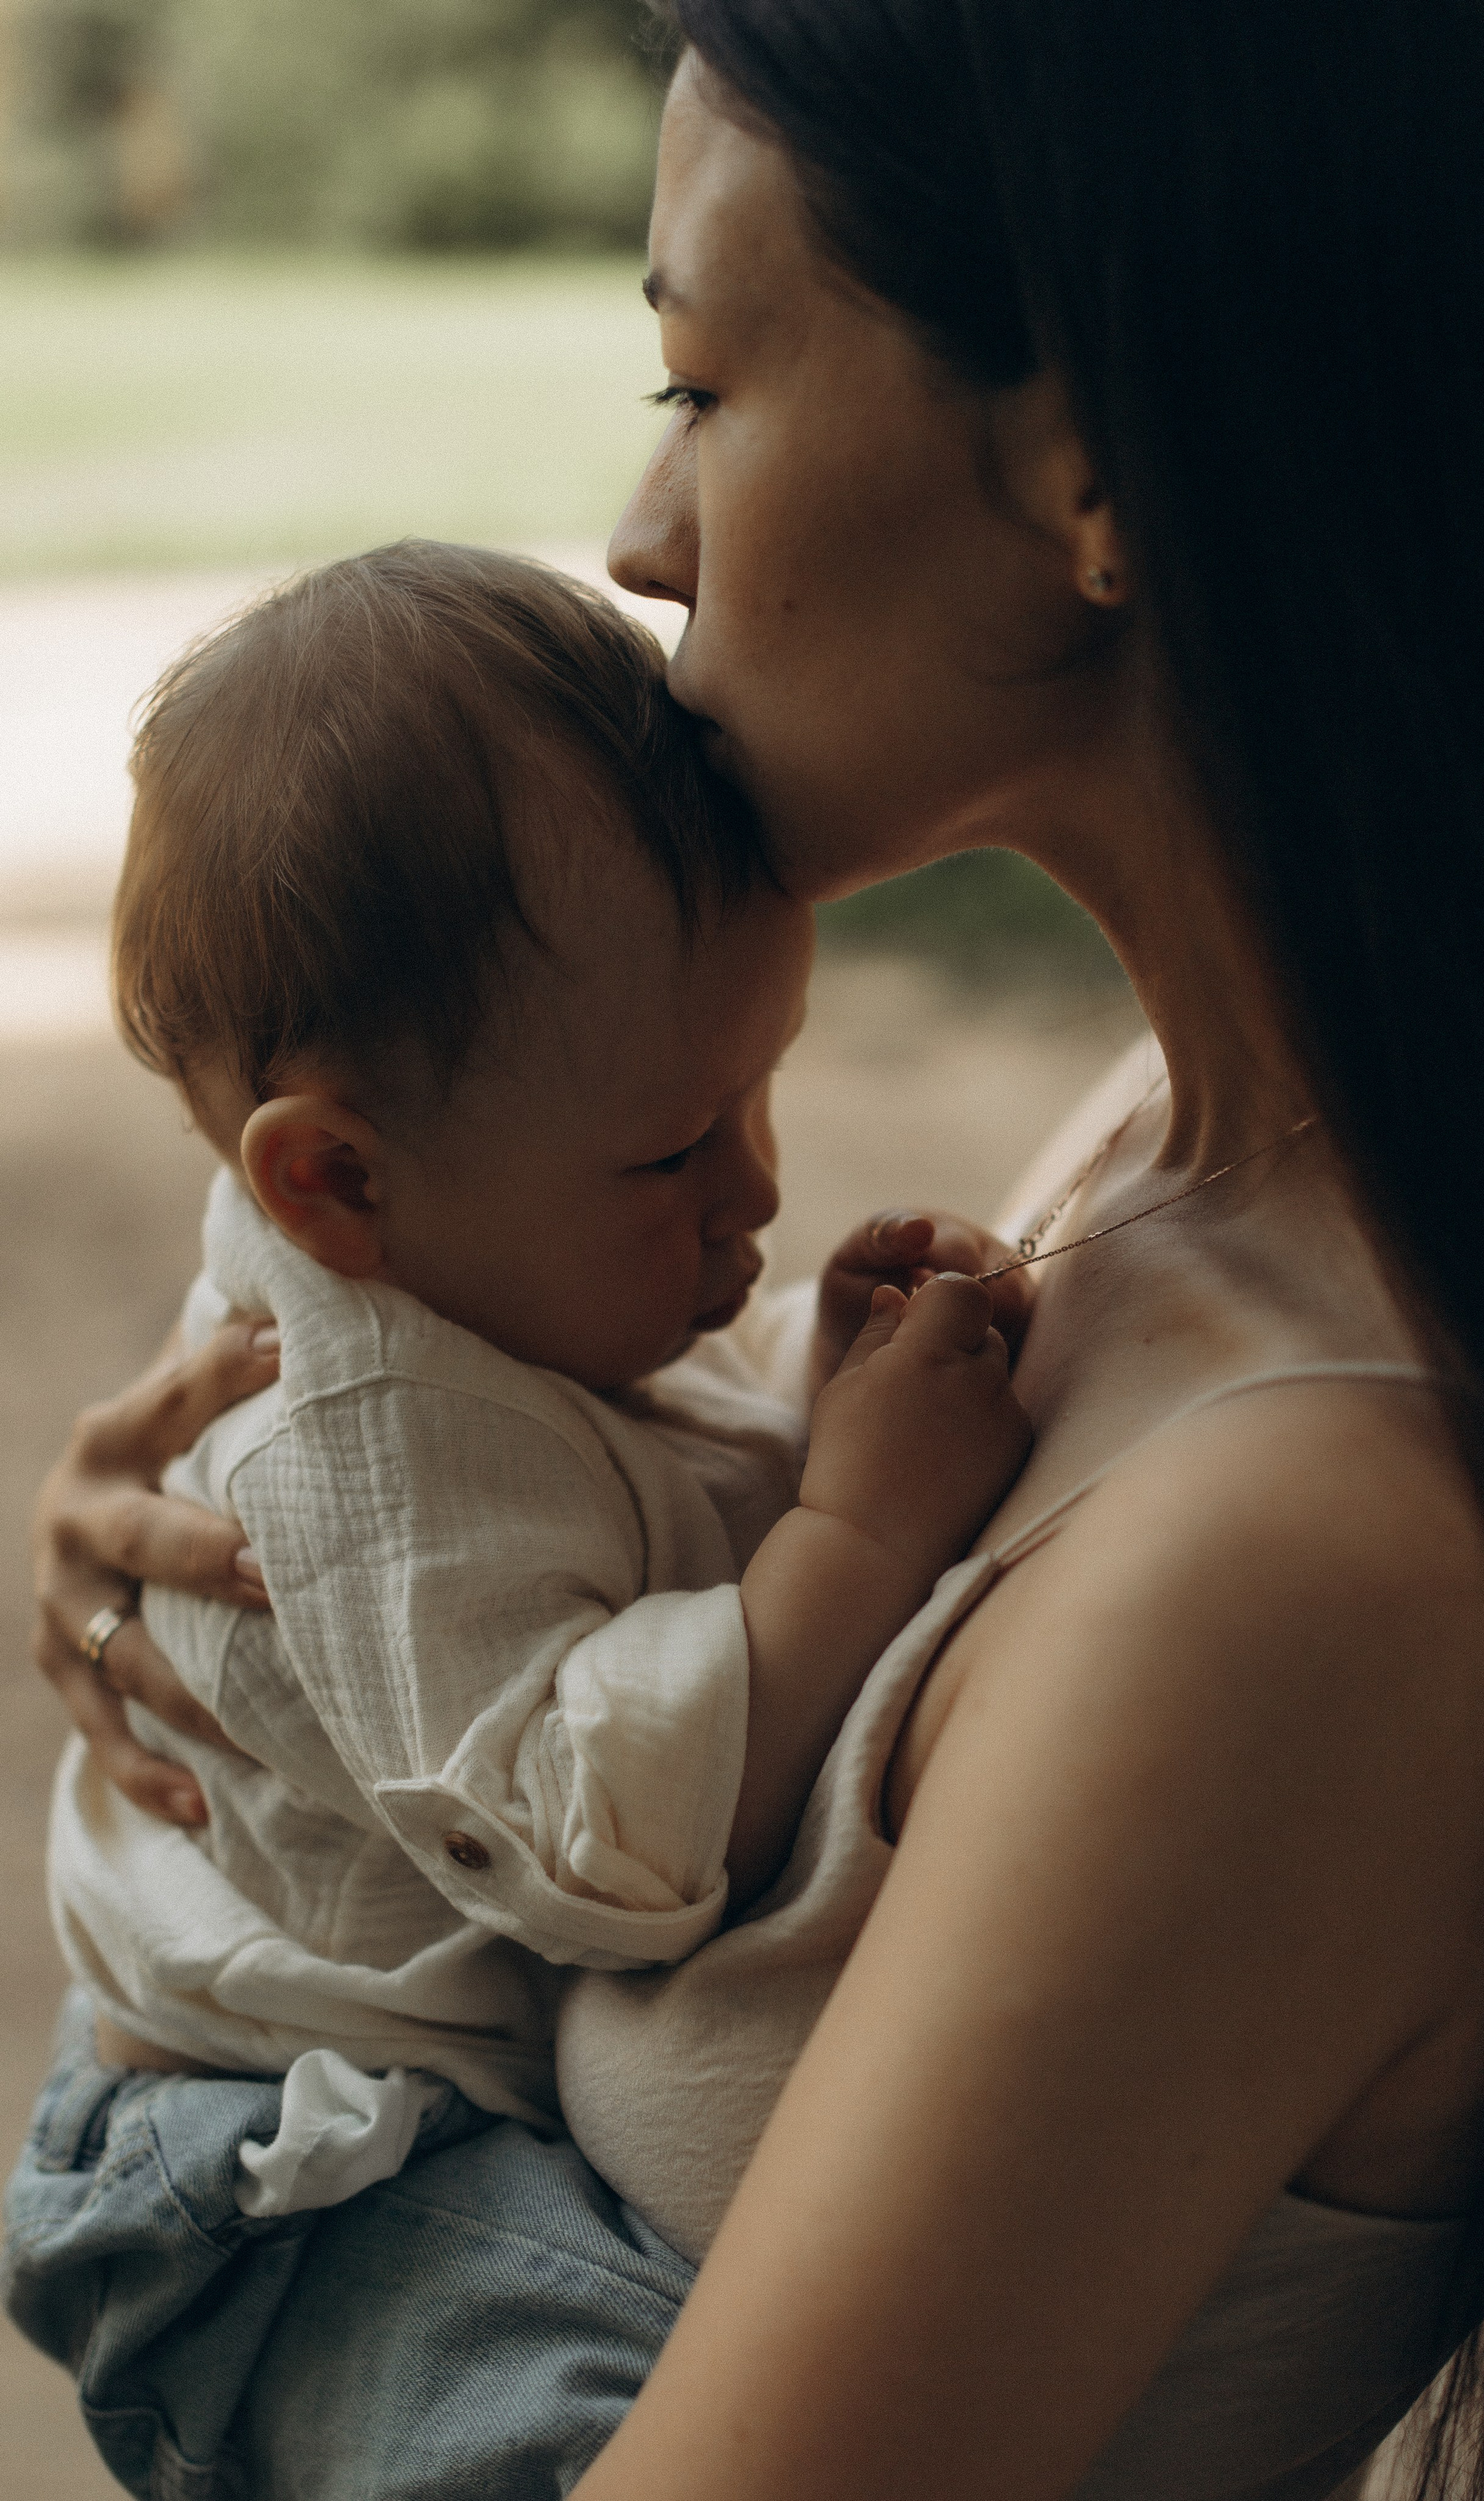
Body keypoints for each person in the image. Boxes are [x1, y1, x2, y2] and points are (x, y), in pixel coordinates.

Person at [27, 2, 1484, 2495]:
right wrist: (298, 1560)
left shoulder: (1299, 1552)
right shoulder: (1162, 1162)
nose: (640, 534)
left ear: (1096, 461)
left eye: (701, 385)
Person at [7, 539, 1032, 2495]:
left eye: (761, 1094)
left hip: (395, 2141)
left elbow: (622, 1497)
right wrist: (862, 1534)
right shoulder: (366, 1446)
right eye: (672, 1149)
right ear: (332, 1191)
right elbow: (591, 1831)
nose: (755, 1197)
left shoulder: (465, 1259)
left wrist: (821, 1383)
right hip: (290, 2192)